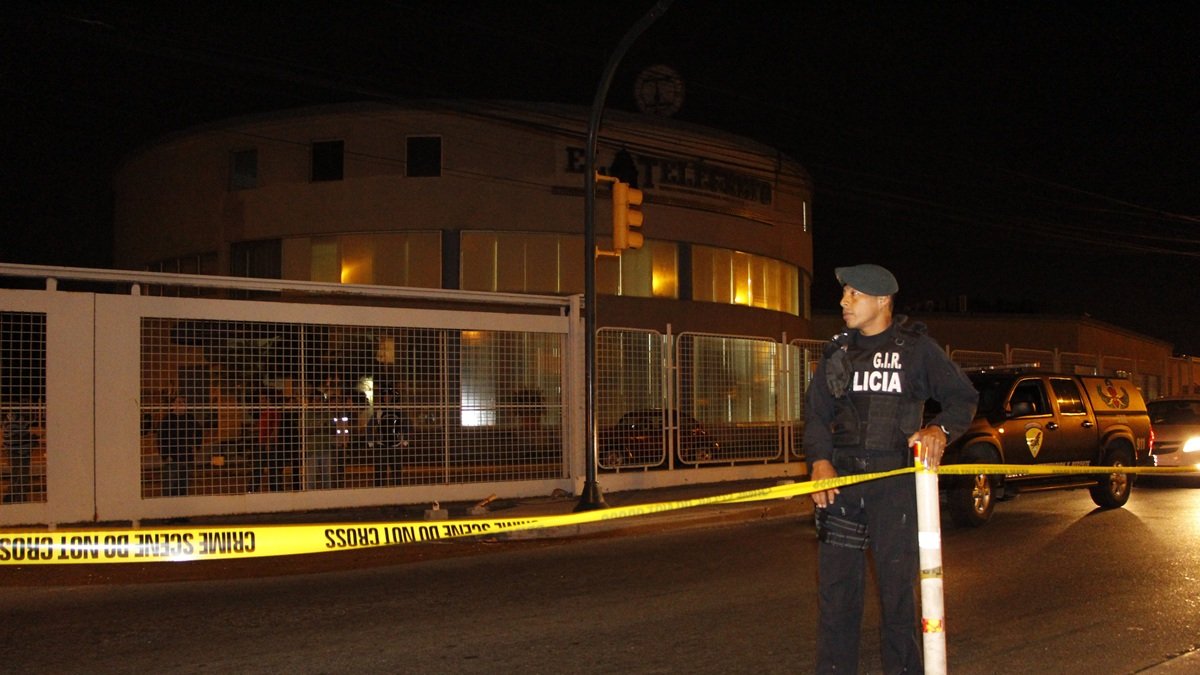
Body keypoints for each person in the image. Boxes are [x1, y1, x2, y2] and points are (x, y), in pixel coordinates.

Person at [803, 264, 978, 674]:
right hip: (842, 487)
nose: (843, 302)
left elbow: (963, 398)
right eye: (844, 293)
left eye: (854, 294)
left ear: (882, 299)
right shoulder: (837, 352)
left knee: (898, 598)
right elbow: (816, 414)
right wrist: (820, 461)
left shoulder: (915, 350)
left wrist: (938, 430)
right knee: (836, 600)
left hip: (895, 488)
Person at [156, 394, 202, 497]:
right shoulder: (166, 420)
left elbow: (199, 432)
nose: (181, 404)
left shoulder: (190, 418)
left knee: (184, 486)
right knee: (170, 487)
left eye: (183, 402)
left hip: (187, 456)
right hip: (172, 457)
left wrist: (196, 446)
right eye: (178, 402)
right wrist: (165, 455)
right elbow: (161, 439)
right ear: (172, 405)